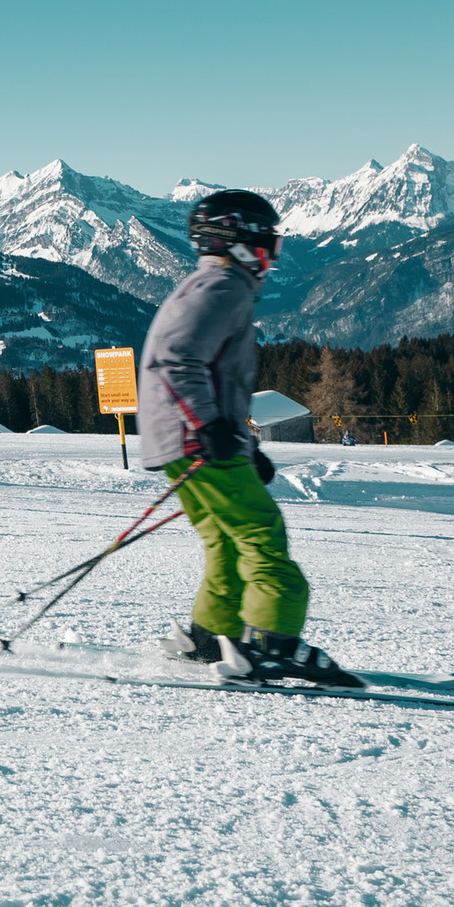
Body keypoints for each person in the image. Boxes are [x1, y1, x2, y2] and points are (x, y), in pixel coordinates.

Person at [139, 190, 360, 687]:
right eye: (268, 245)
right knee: (261, 533)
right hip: (196, 440)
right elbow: (176, 361)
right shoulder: (222, 286)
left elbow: (208, 375)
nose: (271, 257)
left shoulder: (210, 283)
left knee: (225, 541)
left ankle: (211, 635)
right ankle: (272, 646)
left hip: (180, 440)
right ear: (238, 241)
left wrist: (244, 444)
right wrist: (212, 429)